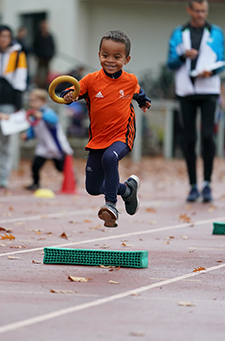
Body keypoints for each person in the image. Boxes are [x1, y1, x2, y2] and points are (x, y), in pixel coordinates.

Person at [61, 30, 151, 227]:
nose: (110, 60)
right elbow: (71, 91)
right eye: (105, 55)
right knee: (93, 188)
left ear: (126, 59)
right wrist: (67, 96)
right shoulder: (91, 80)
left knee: (110, 158)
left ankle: (111, 205)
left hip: (122, 136)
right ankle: (127, 190)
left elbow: (138, 92)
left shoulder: (130, 80)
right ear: (99, 55)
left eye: (116, 57)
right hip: (98, 139)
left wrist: (144, 101)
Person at [167, 0, 225, 203]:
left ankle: (207, 184)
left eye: (204, 11)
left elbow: (222, 59)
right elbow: (170, 62)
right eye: (197, 11)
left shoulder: (217, 32)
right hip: (186, 91)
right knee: (189, 138)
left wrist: (213, 70)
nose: (201, 15)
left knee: (208, 136)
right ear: (190, 10)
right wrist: (183, 56)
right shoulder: (178, 32)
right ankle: (193, 185)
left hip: (209, 90)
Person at [21, 88, 73, 190]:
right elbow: (33, 128)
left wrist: (42, 116)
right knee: (35, 166)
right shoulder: (33, 115)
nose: (33, 103)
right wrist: (27, 136)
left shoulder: (48, 112)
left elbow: (53, 120)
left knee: (60, 167)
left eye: (35, 101)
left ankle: (72, 177)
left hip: (55, 146)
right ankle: (35, 183)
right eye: (31, 101)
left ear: (43, 101)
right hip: (43, 147)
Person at [0, 24, 28, 188]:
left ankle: (3, 177)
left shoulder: (18, 55)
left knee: (5, 144)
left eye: (6, 36)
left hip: (9, 103)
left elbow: (20, 80)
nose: (3, 39)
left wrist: (18, 106)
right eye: (1, 36)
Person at [32, 20, 55, 89]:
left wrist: (51, 55)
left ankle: (45, 86)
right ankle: (40, 86)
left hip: (47, 58)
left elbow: (53, 47)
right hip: (40, 58)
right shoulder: (38, 36)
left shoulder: (49, 36)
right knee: (40, 73)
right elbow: (34, 46)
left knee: (46, 73)